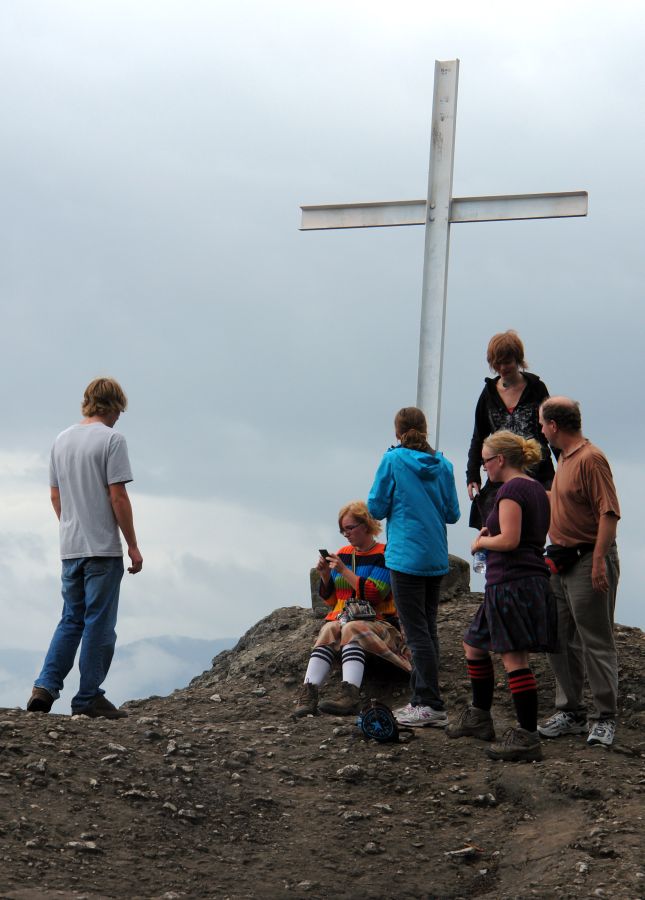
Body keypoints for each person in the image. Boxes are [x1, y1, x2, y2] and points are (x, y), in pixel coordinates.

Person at [27, 378, 143, 719]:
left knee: (70, 620)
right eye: (120, 410)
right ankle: (88, 697)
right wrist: (132, 545)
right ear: (113, 406)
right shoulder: (112, 440)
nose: (120, 417)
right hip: (102, 549)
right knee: (99, 624)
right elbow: (117, 495)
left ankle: (44, 688)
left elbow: (55, 495)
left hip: (70, 547)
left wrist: (70, 526)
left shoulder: (61, 440)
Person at [446, 431, 555, 761]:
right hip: (517, 581)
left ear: (501, 460)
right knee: (474, 644)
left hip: (512, 583)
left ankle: (526, 736)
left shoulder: (512, 489)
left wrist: (482, 543)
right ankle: (480, 716)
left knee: (514, 658)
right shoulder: (535, 488)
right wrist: (489, 532)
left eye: (485, 462)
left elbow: (509, 540)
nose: (484, 468)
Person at [367, 407, 460, 728]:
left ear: (397, 433)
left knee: (415, 631)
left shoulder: (392, 461)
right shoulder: (444, 464)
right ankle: (424, 698)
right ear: (425, 429)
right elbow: (452, 513)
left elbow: (376, 507)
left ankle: (428, 702)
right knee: (428, 626)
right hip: (436, 555)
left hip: (406, 556)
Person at [537, 397, 620, 747]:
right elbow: (565, 502)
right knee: (557, 636)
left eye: (543, 424)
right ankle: (570, 710)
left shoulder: (590, 458)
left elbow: (609, 512)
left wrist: (600, 559)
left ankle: (605, 717)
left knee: (594, 639)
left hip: (589, 558)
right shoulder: (565, 460)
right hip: (561, 560)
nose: (541, 430)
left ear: (554, 425)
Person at [294, 501, 410, 717]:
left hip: (380, 622)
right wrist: (325, 575)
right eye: (342, 530)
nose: (345, 534)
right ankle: (308, 693)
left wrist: (343, 570)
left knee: (351, 628)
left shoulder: (385, 553)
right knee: (329, 629)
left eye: (349, 528)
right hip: (347, 619)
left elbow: (376, 594)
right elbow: (332, 601)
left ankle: (350, 696)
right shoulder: (344, 553)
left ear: (365, 525)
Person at [467, 330, 556, 530]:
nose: (502, 368)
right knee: (494, 524)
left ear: (517, 359)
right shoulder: (488, 394)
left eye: (507, 362)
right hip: (501, 471)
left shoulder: (536, 388)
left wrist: (566, 470)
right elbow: (478, 437)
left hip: (538, 472)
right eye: (497, 363)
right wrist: (472, 475)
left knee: (542, 524)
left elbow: (553, 431)